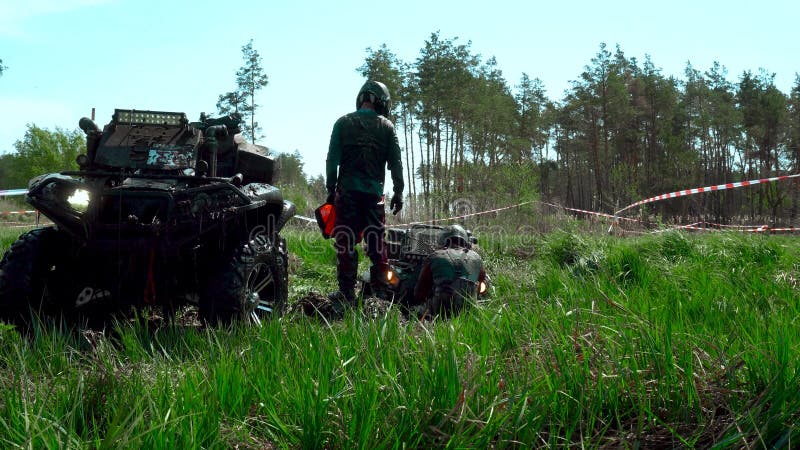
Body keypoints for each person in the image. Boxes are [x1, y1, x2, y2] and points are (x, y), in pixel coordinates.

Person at [325, 80, 404, 311]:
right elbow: (396, 164)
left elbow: (332, 160)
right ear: (382, 103)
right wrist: (398, 192)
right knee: (377, 245)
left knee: (346, 244)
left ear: (361, 99)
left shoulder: (342, 123)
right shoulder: (387, 127)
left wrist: (331, 189)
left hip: (347, 194)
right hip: (373, 197)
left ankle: (346, 295)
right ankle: (379, 296)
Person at [413, 224, 486, 318]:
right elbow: (482, 286)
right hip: (469, 311)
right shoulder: (476, 258)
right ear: (465, 240)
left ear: (443, 240)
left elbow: (419, 293)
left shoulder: (435, 256)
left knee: (412, 311)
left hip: (439, 312)